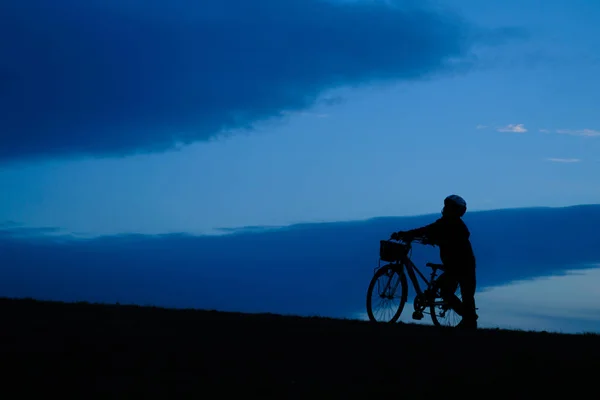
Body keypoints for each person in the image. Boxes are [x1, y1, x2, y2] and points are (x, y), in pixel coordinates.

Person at [390, 194, 478, 329]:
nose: (446, 209)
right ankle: (468, 319)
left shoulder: (454, 225)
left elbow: (438, 233)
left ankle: (469, 319)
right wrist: (411, 235)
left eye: (449, 207)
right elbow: (429, 230)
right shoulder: (446, 223)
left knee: (459, 294)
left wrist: (430, 238)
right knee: (455, 293)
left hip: (462, 265)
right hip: (456, 265)